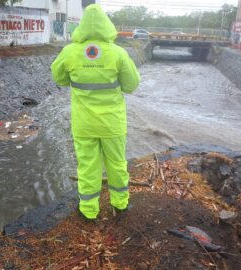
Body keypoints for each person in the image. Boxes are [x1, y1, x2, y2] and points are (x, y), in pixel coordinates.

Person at [51, 4, 140, 220]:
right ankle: (120, 205)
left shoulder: (69, 51)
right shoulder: (118, 53)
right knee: (117, 164)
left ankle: (89, 210)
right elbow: (131, 85)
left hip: (84, 124)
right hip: (112, 123)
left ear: (82, 26)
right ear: (106, 25)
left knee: (87, 166)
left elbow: (59, 78)